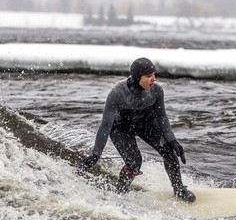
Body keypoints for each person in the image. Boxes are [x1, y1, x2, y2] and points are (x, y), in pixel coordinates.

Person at [79, 57, 196, 203]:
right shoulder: (117, 93)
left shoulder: (157, 91)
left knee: (169, 151)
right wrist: (96, 154)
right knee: (134, 162)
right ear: (136, 77)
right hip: (121, 128)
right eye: (148, 76)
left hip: (144, 123)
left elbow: (162, 117)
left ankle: (179, 190)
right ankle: (119, 194)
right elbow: (106, 124)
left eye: (154, 74)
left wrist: (173, 140)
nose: (153, 79)